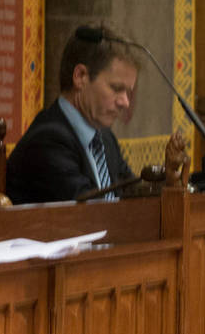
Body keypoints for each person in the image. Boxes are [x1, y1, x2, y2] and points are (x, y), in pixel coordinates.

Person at [7, 25, 140, 203]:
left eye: (128, 92)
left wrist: (169, 180)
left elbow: (134, 194)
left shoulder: (105, 138)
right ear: (80, 76)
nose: (125, 102)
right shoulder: (48, 141)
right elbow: (89, 211)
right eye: (116, 88)